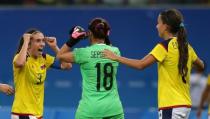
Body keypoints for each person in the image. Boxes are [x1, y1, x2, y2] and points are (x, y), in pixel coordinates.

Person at [103, 9, 204, 119]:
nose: (156, 26)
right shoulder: (186, 47)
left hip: (171, 105)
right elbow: (201, 65)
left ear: (165, 26)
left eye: (158, 23)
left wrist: (116, 57)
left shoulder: (164, 46)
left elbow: (140, 65)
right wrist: (183, 63)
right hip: (185, 105)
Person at [57, 18, 124, 119]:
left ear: (90, 33)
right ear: (107, 33)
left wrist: (74, 39)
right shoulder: (115, 51)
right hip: (114, 109)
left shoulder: (83, 53)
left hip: (90, 110)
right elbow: (107, 45)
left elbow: (60, 55)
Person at [11, 28, 71, 119]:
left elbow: (67, 65)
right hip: (23, 113)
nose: (42, 44)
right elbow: (19, 63)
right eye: (38, 41)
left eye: (43, 41)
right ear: (29, 44)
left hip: (37, 113)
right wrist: (26, 41)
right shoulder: (21, 58)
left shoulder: (44, 58)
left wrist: (55, 47)